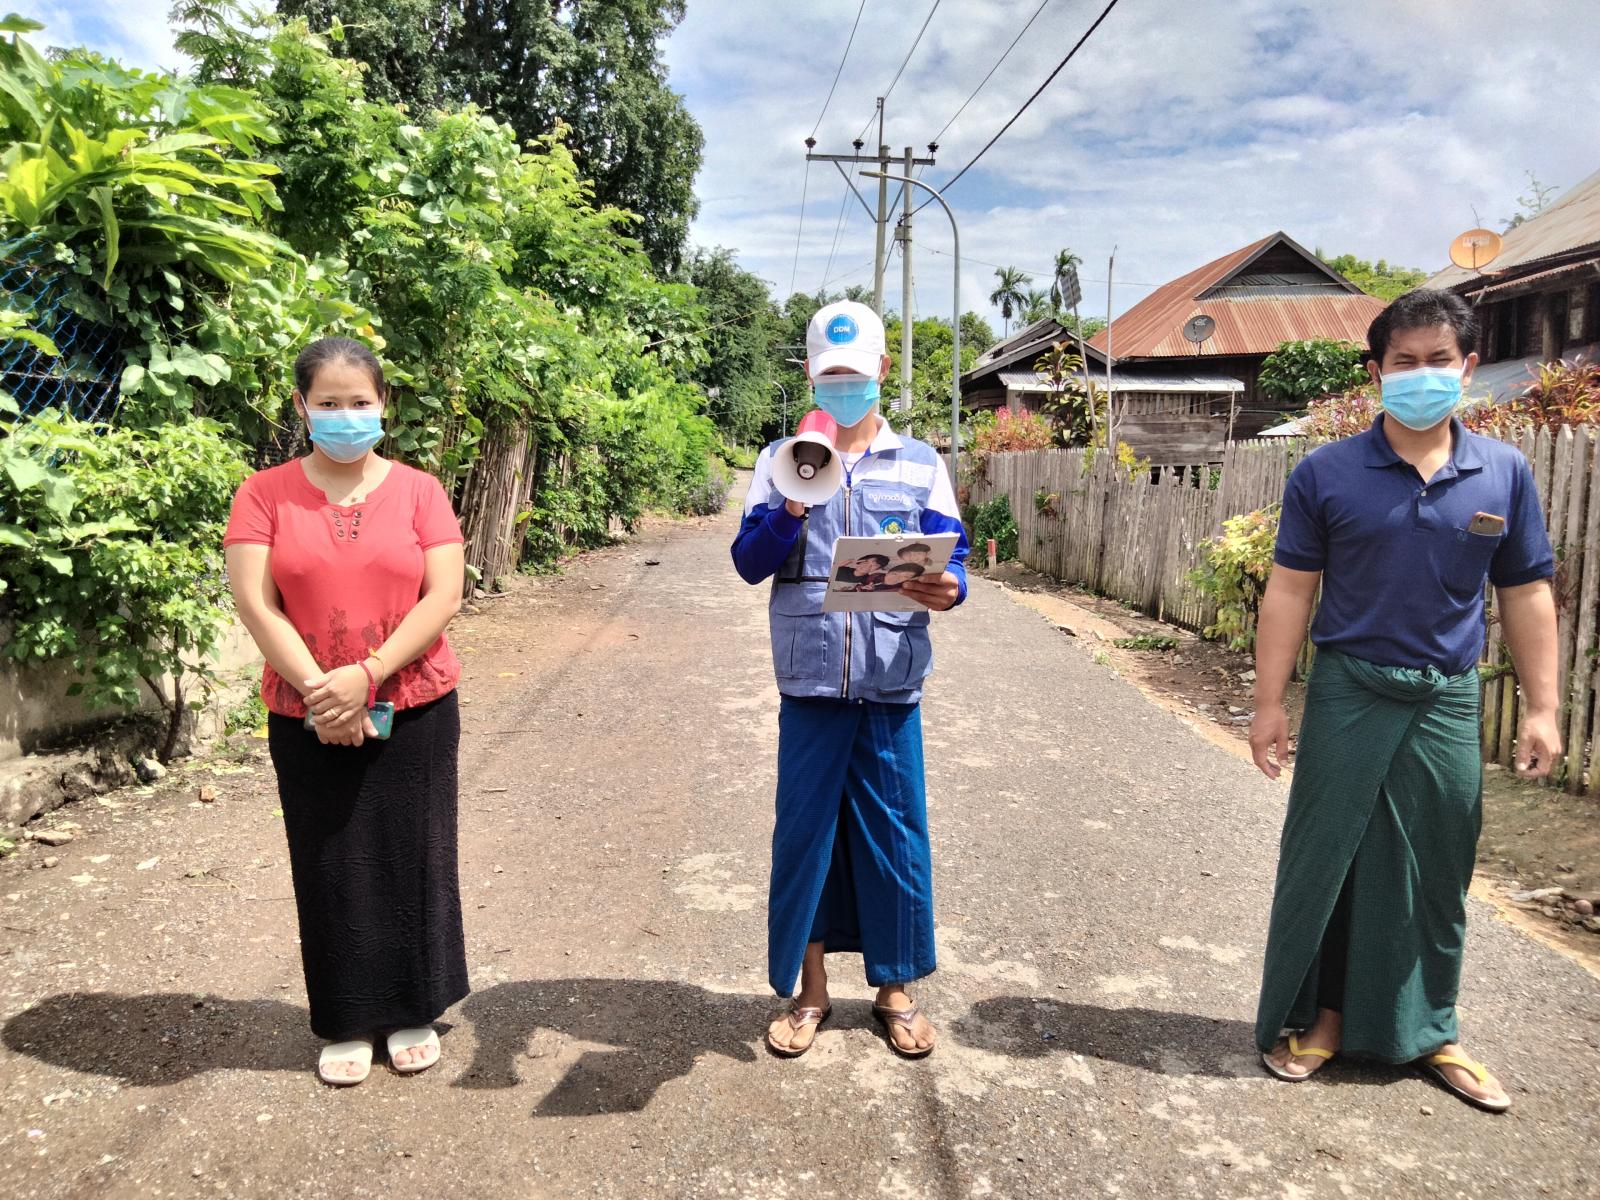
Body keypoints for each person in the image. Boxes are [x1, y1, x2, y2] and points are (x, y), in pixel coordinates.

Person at [1249, 289, 1559, 1113]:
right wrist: (1269, 703)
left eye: (1438, 360)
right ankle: (1324, 1018)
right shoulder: (1327, 473)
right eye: (1404, 361)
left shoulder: (1502, 472)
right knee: (1332, 859)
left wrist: (1542, 709)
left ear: (1468, 367)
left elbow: (1527, 592)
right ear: (1377, 372)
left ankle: (1430, 1029)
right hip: (1350, 691)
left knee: (1438, 865)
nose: (1422, 375)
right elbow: (1290, 590)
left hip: (1446, 699)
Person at [224, 338, 469, 1087]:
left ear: (383, 404)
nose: (345, 415)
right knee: (330, 860)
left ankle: (414, 1008)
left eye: (359, 402)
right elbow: (255, 603)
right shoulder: (263, 494)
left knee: (414, 855)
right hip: (304, 710)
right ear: (302, 408)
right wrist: (321, 690)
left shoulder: (421, 492)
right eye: (328, 403)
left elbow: (444, 594)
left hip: (415, 703)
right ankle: (347, 1016)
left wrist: (369, 674)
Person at [732, 300, 969, 1059]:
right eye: (831, 375)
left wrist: (949, 587)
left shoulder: (921, 463)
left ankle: (895, 990)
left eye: (856, 375)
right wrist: (791, 504)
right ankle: (810, 994)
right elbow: (748, 563)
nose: (844, 388)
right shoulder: (779, 460)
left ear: (883, 373)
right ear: (810, 373)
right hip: (808, 685)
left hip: (890, 683)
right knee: (806, 835)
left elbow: (954, 560)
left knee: (894, 835)